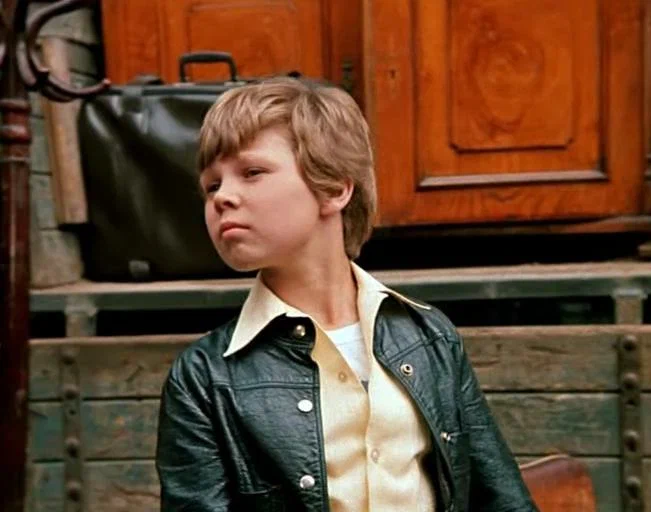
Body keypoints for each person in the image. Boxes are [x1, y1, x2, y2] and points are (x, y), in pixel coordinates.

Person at [155, 76, 538, 511]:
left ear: (335, 188)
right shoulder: (203, 378)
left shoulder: (429, 337)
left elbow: (502, 498)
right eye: (211, 185)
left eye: (252, 172)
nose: (223, 197)